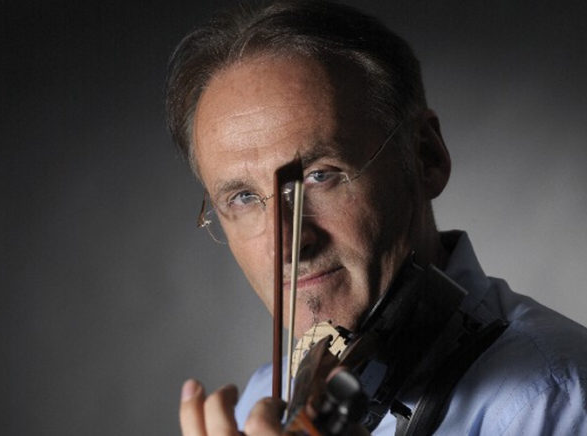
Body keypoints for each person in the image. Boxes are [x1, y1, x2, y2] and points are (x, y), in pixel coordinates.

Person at [165, 1, 587, 434]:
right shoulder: (261, 404)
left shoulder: (554, 399)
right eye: (242, 198)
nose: (286, 244)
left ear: (426, 156)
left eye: (319, 175)